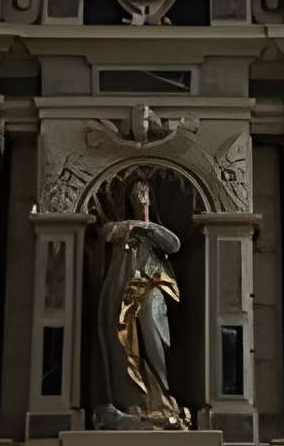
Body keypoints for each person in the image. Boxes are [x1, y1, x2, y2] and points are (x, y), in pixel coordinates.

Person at [90, 176, 189, 427]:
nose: (142, 204)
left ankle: (161, 398)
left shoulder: (155, 234)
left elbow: (174, 244)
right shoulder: (119, 227)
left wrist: (148, 226)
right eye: (137, 199)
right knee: (124, 344)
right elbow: (108, 232)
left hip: (151, 293)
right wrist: (135, 225)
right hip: (123, 293)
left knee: (154, 341)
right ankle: (131, 402)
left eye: (145, 200)